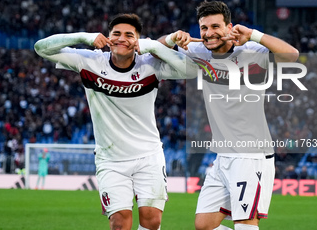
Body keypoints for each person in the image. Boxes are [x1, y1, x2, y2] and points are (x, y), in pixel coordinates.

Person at [34, 13, 197, 230]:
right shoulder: (89, 60)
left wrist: (155, 46)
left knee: (152, 221)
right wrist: (84, 36)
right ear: (107, 38)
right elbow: (40, 47)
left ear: (138, 41)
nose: (122, 38)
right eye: (116, 33)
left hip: (148, 156)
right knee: (120, 223)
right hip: (110, 160)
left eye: (129, 35)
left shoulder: (150, 65)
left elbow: (193, 70)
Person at [159, 0, 299, 230]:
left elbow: (292, 55)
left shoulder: (252, 52)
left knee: (245, 223)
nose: (209, 33)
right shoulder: (199, 51)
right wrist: (172, 38)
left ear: (229, 27)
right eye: (204, 28)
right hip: (223, 156)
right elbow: (152, 51)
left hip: (250, 154)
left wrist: (253, 34)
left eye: (215, 26)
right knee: (204, 225)